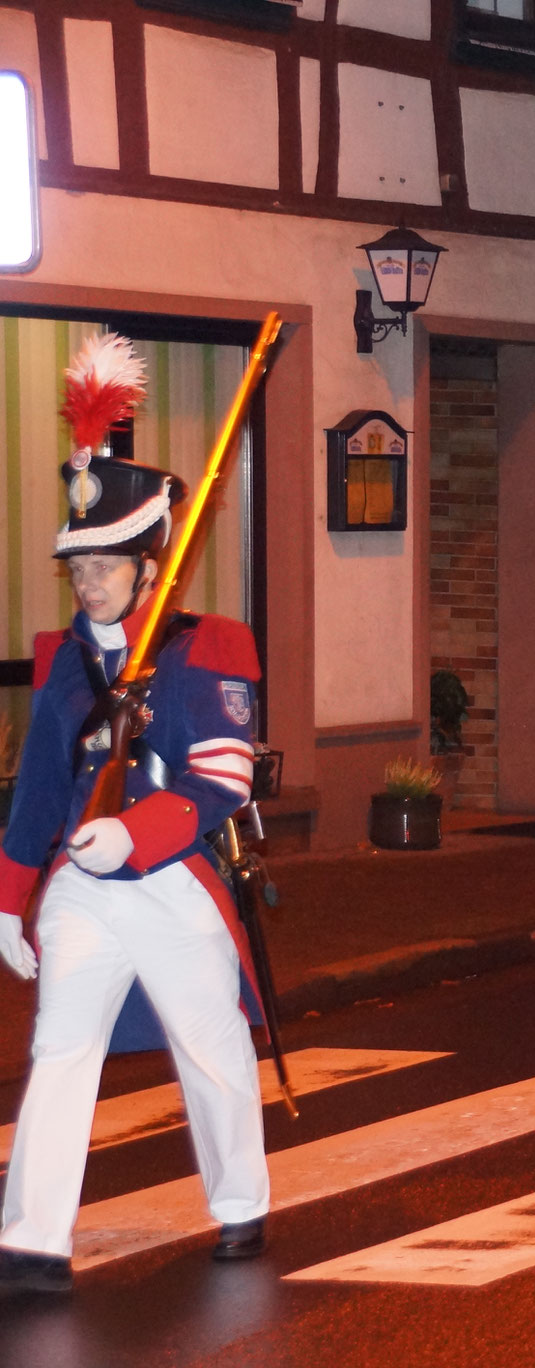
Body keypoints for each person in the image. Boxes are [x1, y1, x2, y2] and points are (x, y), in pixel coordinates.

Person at [1, 336, 270, 1293]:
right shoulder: (63, 661)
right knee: (59, 1050)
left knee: (211, 1048)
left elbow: (221, 782)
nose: (89, 580)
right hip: (82, 894)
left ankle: (239, 1202)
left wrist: (138, 829)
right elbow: (38, 782)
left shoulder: (210, 646)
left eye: (107, 564)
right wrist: (11, 892)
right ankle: (33, 1240)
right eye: (79, 565)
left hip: (170, 885)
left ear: (148, 561)